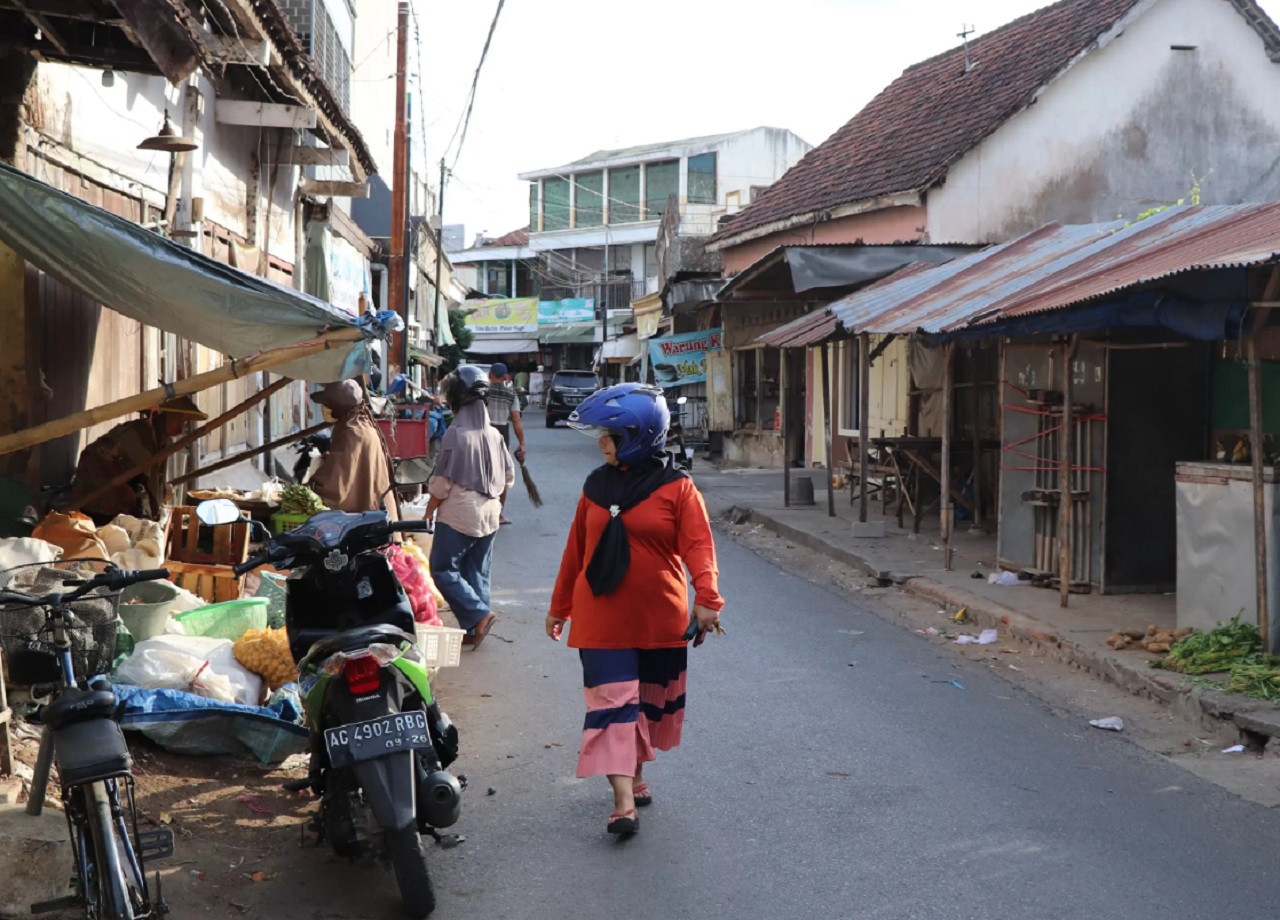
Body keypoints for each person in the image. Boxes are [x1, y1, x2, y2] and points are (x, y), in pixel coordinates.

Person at [546, 383, 724, 835]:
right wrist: (559, 606)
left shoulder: (678, 489)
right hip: (599, 619)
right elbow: (575, 551)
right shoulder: (594, 486)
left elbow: (699, 548)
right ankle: (622, 802)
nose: (602, 443)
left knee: (642, 705)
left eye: (610, 435)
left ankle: (637, 774)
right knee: (611, 705)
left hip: (657, 619)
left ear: (638, 436)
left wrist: (707, 599)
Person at [425, 365, 513, 649]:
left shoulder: (455, 433)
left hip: (461, 511)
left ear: (456, 399)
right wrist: (496, 504)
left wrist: (429, 512)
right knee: (477, 570)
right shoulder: (496, 435)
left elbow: (441, 483)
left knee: (442, 569)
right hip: (490, 511)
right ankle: (475, 628)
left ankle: (479, 614)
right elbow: (509, 477)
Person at [70, 396, 209, 523]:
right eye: (177, 418)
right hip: (98, 500)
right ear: (161, 416)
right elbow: (100, 453)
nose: (181, 424)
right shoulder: (136, 432)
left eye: (184, 420)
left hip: (127, 505)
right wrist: (122, 487)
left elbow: (155, 479)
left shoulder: (166, 443)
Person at [308, 380, 398, 518]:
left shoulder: (352, 432)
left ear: (339, 406)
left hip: (368, 518)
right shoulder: (363, 423)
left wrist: (310, 487)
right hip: (377, 509)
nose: (325, 408)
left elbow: (336, 481)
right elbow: (351, 463)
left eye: (328, 404)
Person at [484, 362, 525, 525]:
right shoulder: (511, 394)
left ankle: (484, 512)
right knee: (501, 475)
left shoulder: (483, 392)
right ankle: (499, 515)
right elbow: (516, 419)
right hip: (502, 435)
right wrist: (522, 443)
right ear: (506, 377)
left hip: (484, 434)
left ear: (490, 376)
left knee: (483, 473)